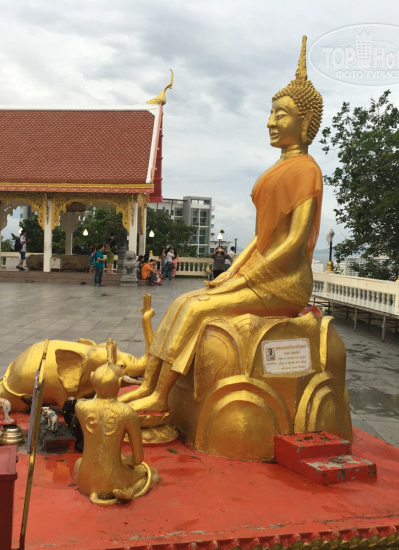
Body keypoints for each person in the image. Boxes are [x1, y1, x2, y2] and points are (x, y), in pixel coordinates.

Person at [120, 37, 324, 413]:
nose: (271, 122)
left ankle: (160, 395)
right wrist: (232, 272)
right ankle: (149, 383)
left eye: (281, 115)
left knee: (197, 310)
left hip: (284, 283)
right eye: (271, 113)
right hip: (258, 274)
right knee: (183, 301)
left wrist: (247, 278)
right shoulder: (277, 169)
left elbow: (294, 241)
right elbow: (262, 237)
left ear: (305, 121)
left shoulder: (307, 170)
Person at [73, 341, 158, 505]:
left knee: (78, 462)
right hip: (113, 480)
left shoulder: (81, 408)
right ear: (119, 383)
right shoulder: (127, 413)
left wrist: (109, 362)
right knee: (151, 472)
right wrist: (127, 461)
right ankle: (131, 489)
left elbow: (99, 393)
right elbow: (138, 459)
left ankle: (97, 490)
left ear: (92, 380)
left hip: (85, 481)